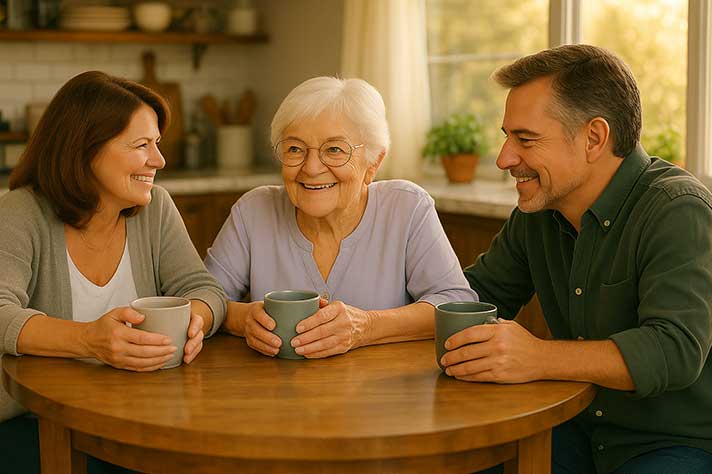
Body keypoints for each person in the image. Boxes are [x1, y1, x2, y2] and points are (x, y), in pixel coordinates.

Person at [440, 44, 712, 473]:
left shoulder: (678, 209)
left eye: (525, 139)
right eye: (506, 136)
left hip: (676, 444)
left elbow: (673, 349)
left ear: (594, 138)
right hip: (574, 427)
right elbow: (469, 298)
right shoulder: (539, 210)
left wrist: (538, 358)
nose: (504, 158)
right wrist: (364, 325)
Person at [0, 71, 227, 473]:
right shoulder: (21, 212)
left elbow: (201, 287)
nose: (159, 160)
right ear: (85, 149)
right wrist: (89, 340)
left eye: (156, 144)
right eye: (141, 145)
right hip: (33, 421)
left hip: (138, 416)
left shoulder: (156, 208)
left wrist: (195, 320)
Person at [205, 76, 475, 358]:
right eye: (295, 149)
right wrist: (243, 318)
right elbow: (204, 298)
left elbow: (454, 303)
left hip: (386, 394)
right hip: (277, 394)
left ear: (373, 163)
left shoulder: (407, 208)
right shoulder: (253, 210)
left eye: (334, 150)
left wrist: (368, 327)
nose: (310, 167)